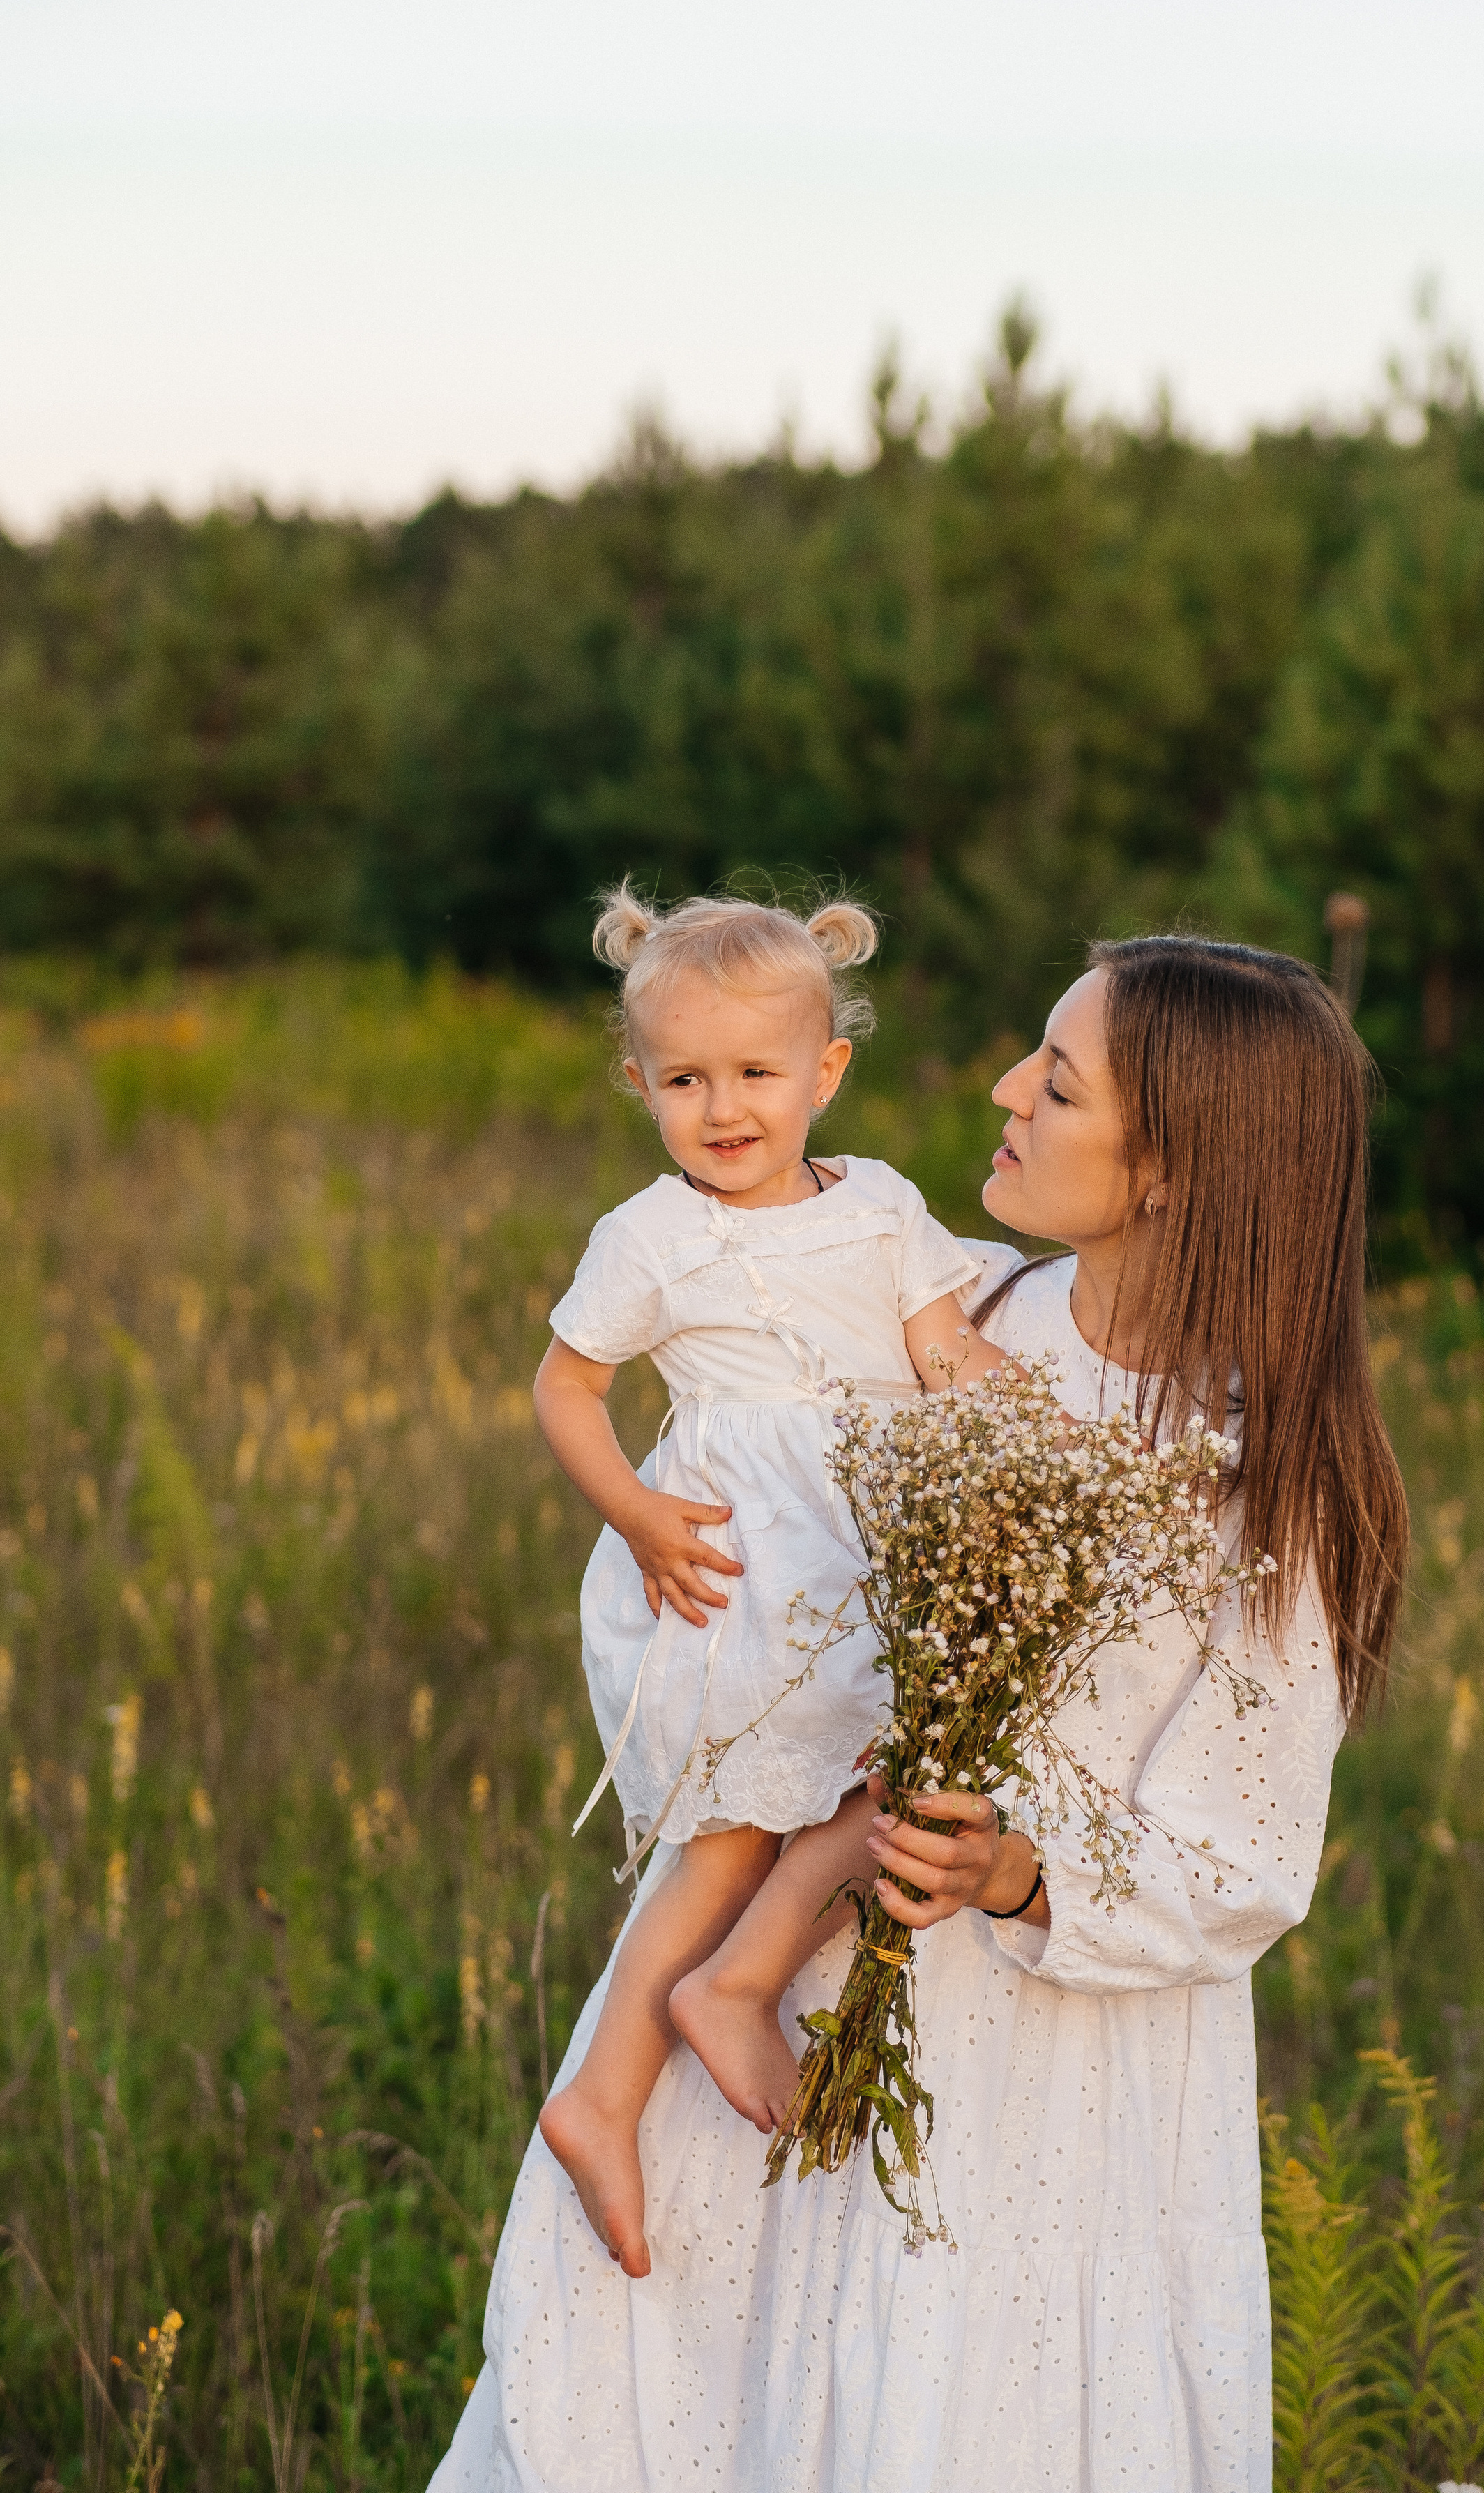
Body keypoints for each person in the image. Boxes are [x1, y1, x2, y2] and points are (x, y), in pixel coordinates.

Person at [433, 931, 1407, 2493]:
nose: (1007, 1090)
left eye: (1061, 1081)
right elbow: (750, 1509)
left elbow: (1247, 1864)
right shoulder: (949, 1325)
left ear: (1169, 1167)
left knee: (947, 2424)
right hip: (769, 2017)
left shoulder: (1262, 1485)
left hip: (1036, 2099)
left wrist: (1017, 1868)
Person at [533, 886, 1010, 2281]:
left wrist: (1045, 1437)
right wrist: (631, 1510)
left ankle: (718, 1995)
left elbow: (943, 1359)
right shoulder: (649, 1236)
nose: (720, 1107)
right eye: (683, 1079)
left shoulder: (880, 1207)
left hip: (864, 1550)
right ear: (639, 1084)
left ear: (826, 1072)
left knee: (877, 1786)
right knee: (734, 1828)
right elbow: (566, 1390)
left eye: (752, 1073)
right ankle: (610, 2092)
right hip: (733, 1559)